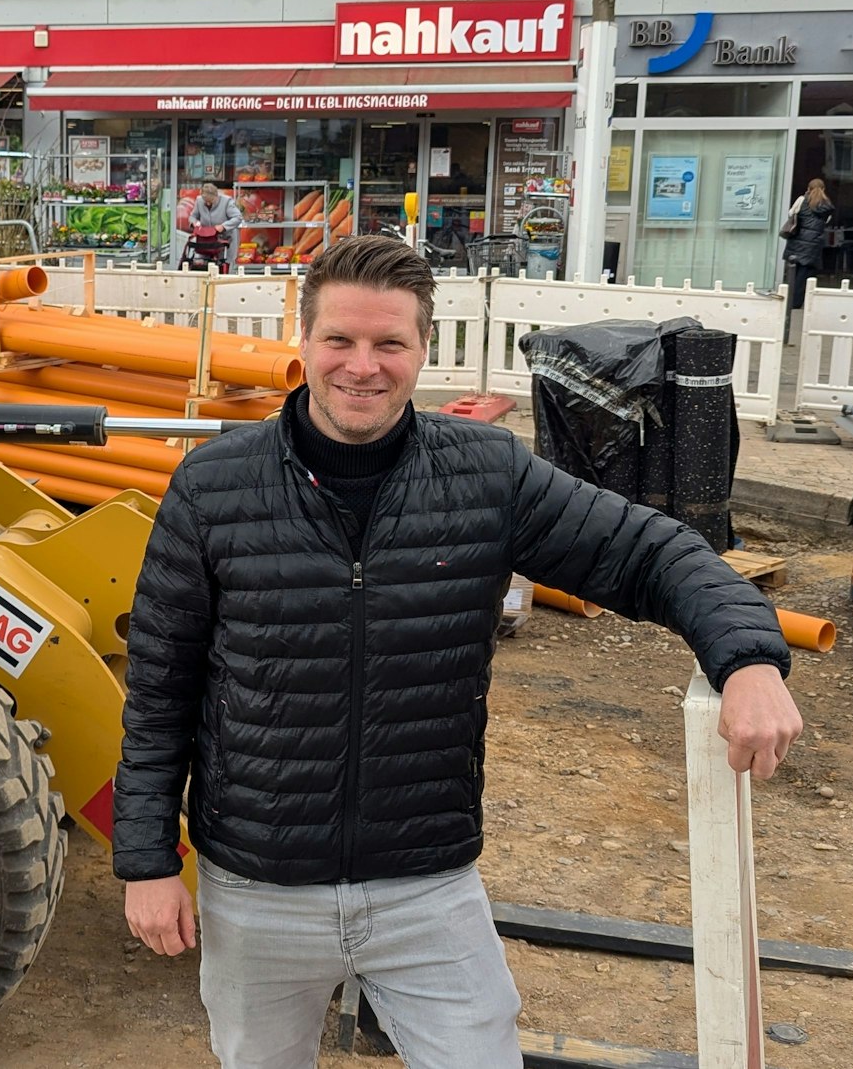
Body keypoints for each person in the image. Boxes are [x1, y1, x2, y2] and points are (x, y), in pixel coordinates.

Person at [114, 234, 805, 1069]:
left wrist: (749, 658)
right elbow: (160, 691)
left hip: (426, 888)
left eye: (389, 343)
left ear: (423, 349)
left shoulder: (486, 476)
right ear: (304, 344)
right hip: (259, 888)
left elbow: (650, 552)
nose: (362, 366)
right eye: (340, 339)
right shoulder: (213, 487)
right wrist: (148, 863)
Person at [783, 178, 835, 341]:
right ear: (824, 189)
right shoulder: (827, 205)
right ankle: (797, 302)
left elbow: (792, 214)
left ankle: (789, 301)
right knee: (804, 274)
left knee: (793, 271)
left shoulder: (801, 200)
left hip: (798, 242)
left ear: (808, 187)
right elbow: (826, 222)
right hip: (813, 245)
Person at [188, 181, 242, 266]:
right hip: (206, 240)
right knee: (204, 265)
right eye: (205, 201)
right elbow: (192, 216)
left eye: (211, 201)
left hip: (226, 239)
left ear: (216, 196)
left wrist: (223, 226)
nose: (208, 203)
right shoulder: (199, 201)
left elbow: (238, 217)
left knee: (225, 265)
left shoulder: (227, 201)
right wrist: (194, 223)